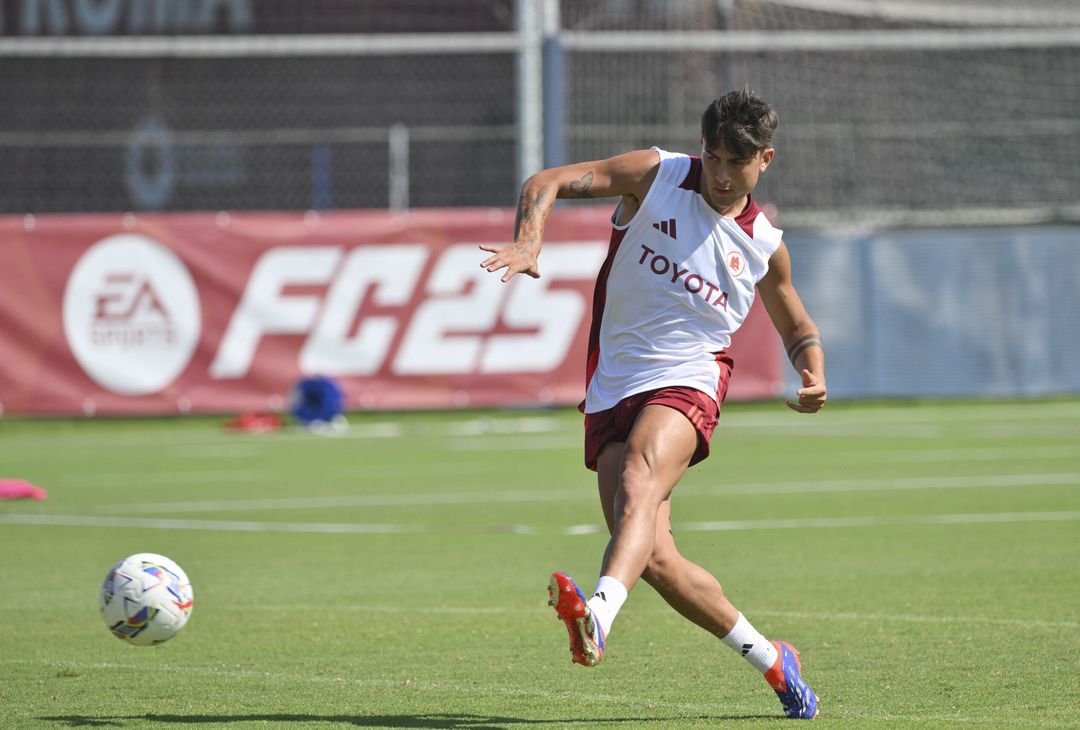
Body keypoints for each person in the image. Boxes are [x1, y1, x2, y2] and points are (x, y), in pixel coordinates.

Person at [479, 85, 825, 720]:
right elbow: (546, 179)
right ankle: (775, 662)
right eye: (714, 157)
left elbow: (796, 323)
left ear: (765, 160)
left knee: (640, 477)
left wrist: (812, 372)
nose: (721, 174)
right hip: (613, 380)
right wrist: (530, 241)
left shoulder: (764, 246)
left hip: (690, 378)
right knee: (656, 556)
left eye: (737, 163)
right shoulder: (658, 174)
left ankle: (600, 617)